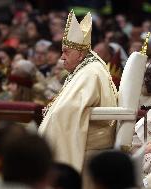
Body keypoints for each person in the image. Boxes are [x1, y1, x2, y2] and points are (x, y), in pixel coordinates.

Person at [39, 10, 117, 171]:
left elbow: (66, 109)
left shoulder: (90, 72)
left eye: (66, 52)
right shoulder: (85, 68)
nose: (62, 57)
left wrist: (52, 113)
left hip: (95, 137)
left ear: (81, 54)